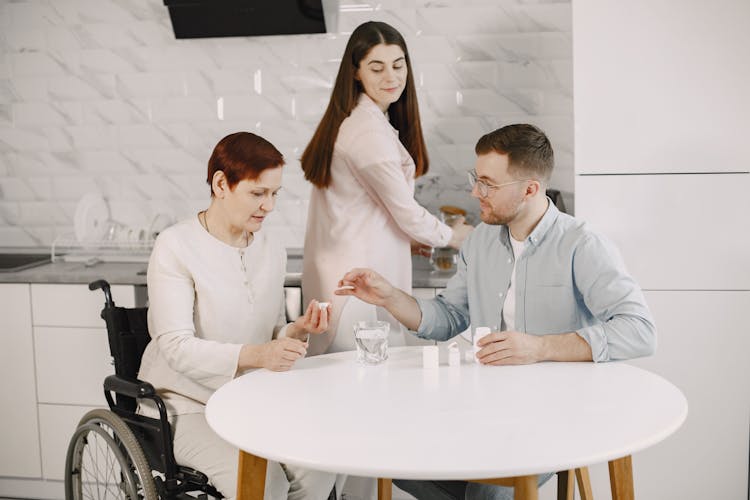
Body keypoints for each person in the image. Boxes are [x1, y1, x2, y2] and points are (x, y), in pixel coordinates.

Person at [335, 124, 657, 500]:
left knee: (486, 492)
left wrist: (539, 348)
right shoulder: (480, 243)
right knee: (390, 460)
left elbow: (640, 330)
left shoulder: (582, 245)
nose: (475, 192)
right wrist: (390, 296)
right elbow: (449, 317)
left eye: (487, 183)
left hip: (559, 413)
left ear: (530, 189)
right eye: (477, 179)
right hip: (487, 408)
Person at [138, 132, 338, 500]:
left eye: (275, 193)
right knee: (266, 485)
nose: (269, 205)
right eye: (258, 193)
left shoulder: (271, 248)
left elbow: (270, 326)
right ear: (220, 184)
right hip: (184, 405)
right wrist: (261, 355)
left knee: (319, 466)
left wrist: (296, 330)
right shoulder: (176, 246)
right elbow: (176, 347)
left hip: (248, 397)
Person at [300, 20, 473, 358]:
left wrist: (405, 241)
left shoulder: (360, 122)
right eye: (376, 68)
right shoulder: (368, 134)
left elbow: (364, 209)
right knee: (364, 389)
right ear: (355, 72)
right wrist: (454, 237)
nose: (391, 78)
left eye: (398, 65)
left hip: (350, 281)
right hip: (357, 291)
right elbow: (406, 212)